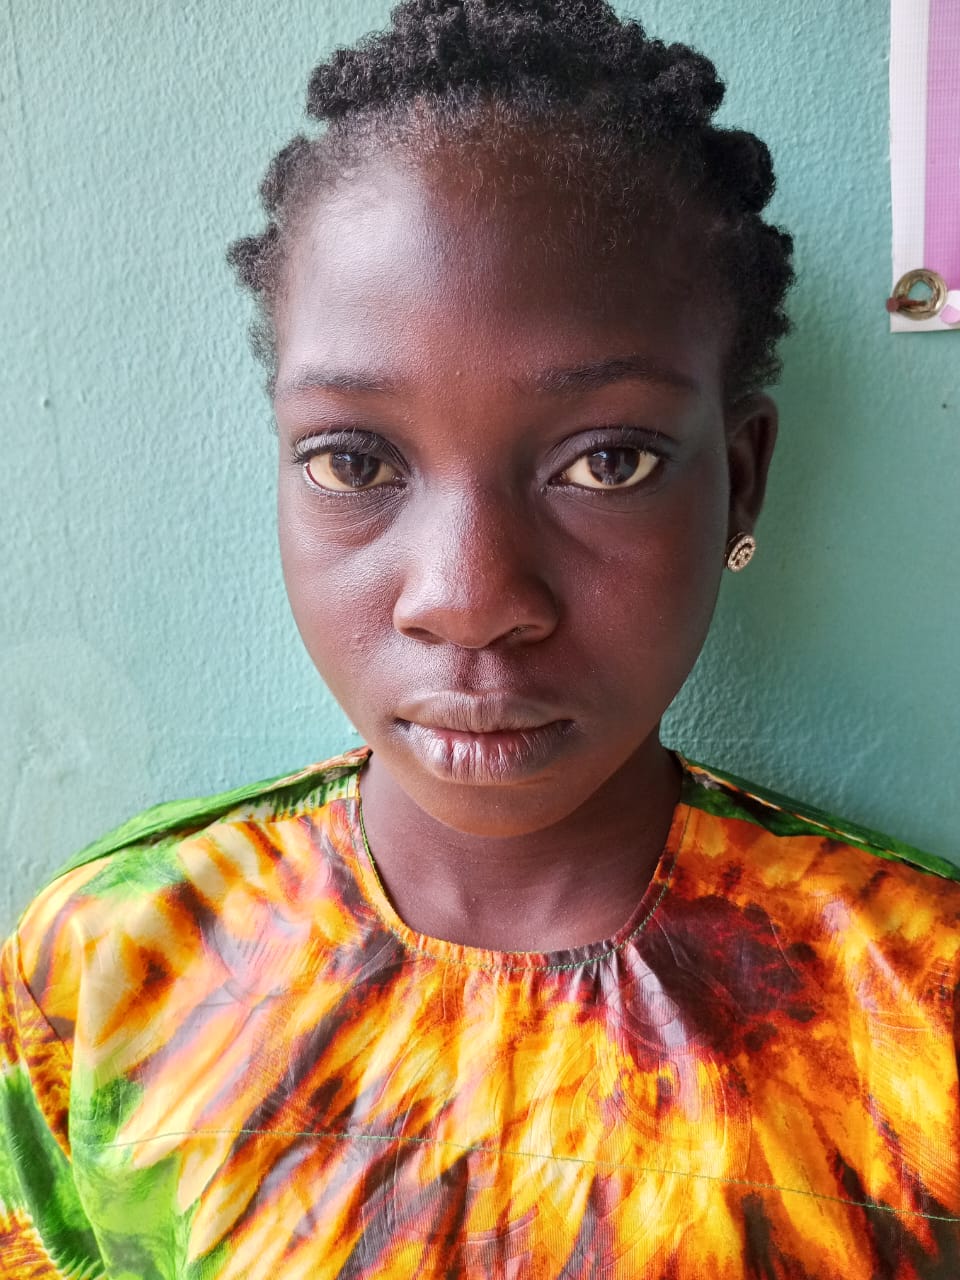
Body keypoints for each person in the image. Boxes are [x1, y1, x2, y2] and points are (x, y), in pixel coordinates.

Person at [2, 2, 958, 1276]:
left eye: (607, 461)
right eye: (354, 460)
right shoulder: (109, 969)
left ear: (740, 480)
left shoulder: (921, 1008)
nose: (467, 596)